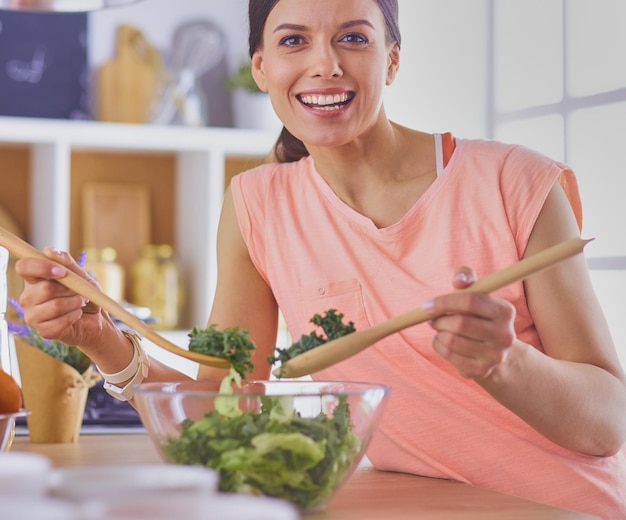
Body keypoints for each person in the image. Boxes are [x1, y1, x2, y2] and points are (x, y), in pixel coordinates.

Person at [14, 0, 625, 517]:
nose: (325, 64)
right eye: (293, 40)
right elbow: (222, 410)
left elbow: (607, 423)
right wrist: (100, 339)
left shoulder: (515, 183)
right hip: (409, 505)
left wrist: (505, 362)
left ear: (391, 58)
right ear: (261, 66)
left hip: (569, 504)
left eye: (353, 38)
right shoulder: (258, 203)